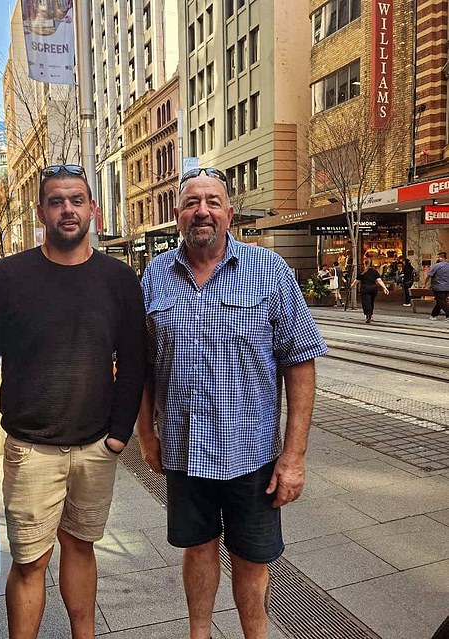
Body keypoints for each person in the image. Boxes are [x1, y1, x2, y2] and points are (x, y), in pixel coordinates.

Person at [0, 164, 146, 639]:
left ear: (93, 210)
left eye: (77, 200)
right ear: (40, 211)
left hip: (96, 446)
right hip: (30, 448)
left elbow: (136, 360)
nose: (67, 210)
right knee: (30, 560)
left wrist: (120, 434)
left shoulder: (119, 279)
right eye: (57, 201)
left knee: (81, 546)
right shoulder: (4, 278)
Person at [137, 167, 328, 639]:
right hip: (184, 451)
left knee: (251, 560)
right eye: (192, 202)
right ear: (177, 213)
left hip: (253, 455)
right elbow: (139, 364)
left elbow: (300, 363)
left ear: (230, 212)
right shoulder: (156, 274)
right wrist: (146, 434)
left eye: (213, 201)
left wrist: (294, 455)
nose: (202, 210)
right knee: (198, 550)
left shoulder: (269, 270)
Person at [428, 251, 449, 320]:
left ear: (440, 258)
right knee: (440, 301)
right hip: (447, 287)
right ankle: (433, 315)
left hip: (438, 287)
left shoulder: (436, 266)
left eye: (437, 257)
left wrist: (426, 284)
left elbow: (429, 275)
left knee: (441, 301)